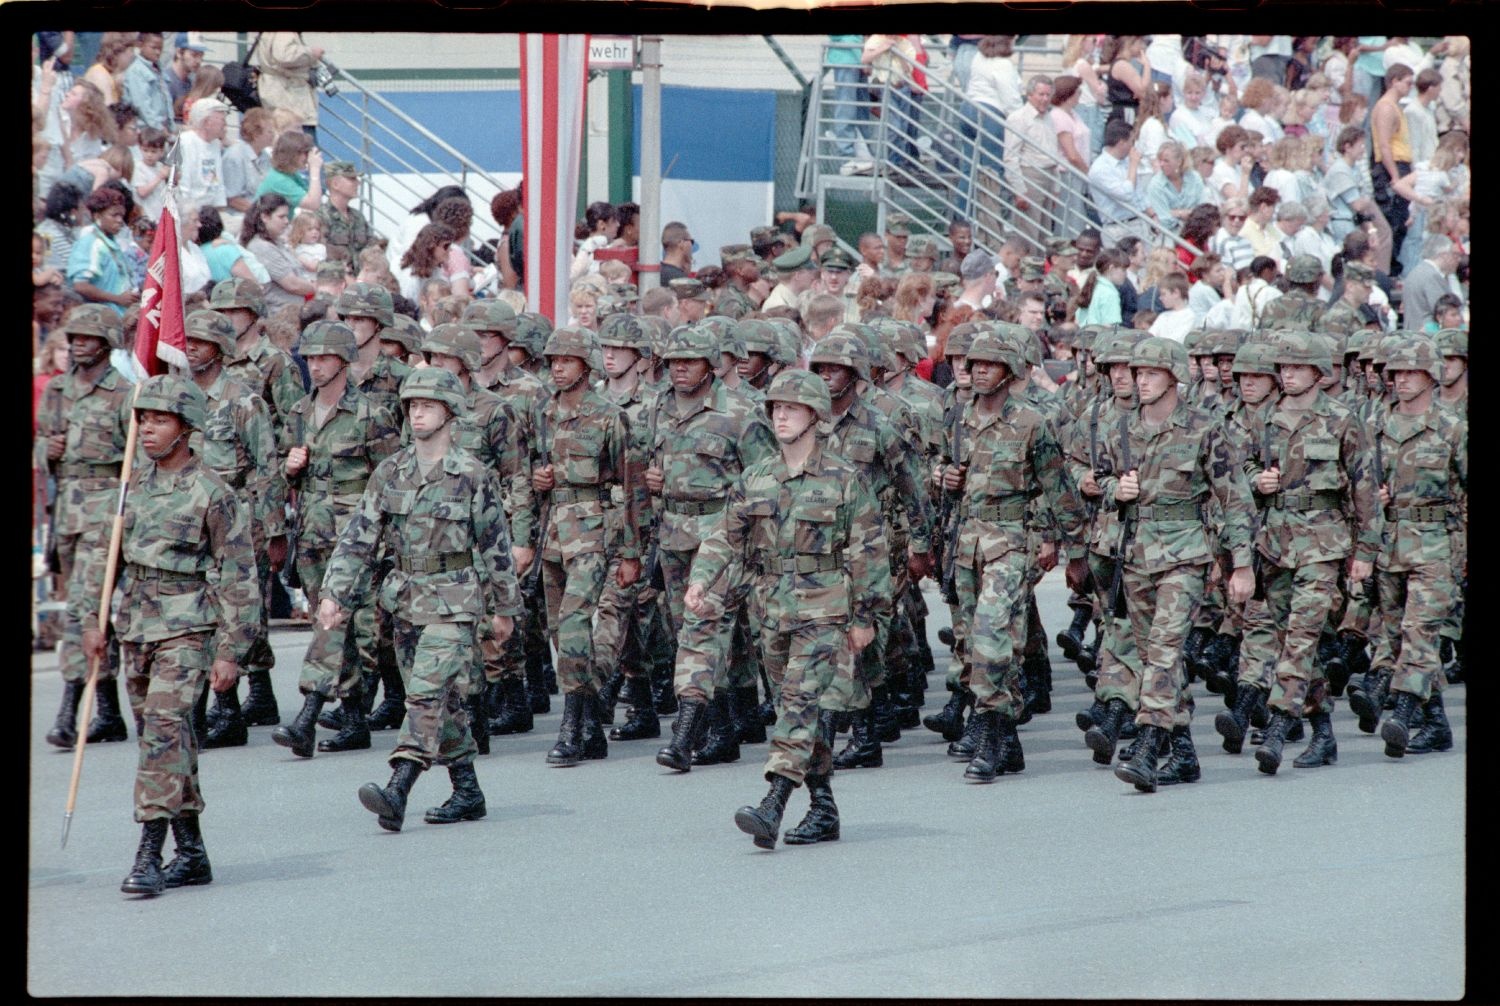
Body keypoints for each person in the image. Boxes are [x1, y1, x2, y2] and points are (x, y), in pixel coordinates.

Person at [683, 369, 884, 847]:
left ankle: (772, 804)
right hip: (771, 609)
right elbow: (724, 538)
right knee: (798, 710)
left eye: (792, 408)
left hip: (826, 611)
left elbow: (869, 551)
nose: (782, 415)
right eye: (776, 407)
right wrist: (700, 579)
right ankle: (824, 808)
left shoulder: (843, 479)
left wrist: (866, 617)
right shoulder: (756, 479)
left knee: (797, 704)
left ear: (815, 415)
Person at [315, 367, 521, 831]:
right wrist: (335, 594)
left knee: (425, 696)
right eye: (412, 405)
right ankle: (467, 790)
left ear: (450, 412)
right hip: (406, 601)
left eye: (428, 405)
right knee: (439, 703)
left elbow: (495, 546)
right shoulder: (391, 471)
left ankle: (398, 788)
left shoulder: (472, 474)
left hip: (455, 601)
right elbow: (359, 539)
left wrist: (506, 609)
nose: (418, 412)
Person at [75, 374, 257, 896]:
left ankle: (150, 853)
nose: (148, 429)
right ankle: (193, 853)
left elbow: (239, 573)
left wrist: (231, 650)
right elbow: (101, 562)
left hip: (189, 627)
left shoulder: (213, 492)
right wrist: (94, 620)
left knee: (161, 735)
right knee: (170, 742)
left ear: (186, 427)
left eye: (160, 420)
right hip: (137, 626)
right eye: (143, 419)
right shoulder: (131, 487)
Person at [1092, 336, 1257, 790]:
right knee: (1153, 657)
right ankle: (1183, 752)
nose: (1139, 381)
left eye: (1150, 373)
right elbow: (1098, 477)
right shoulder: (1119, 428)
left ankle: (1147, 746)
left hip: (1185, 553)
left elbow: (1236, 499)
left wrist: (1241, 565)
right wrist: (1111, 491)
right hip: (1135, 553)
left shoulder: (1204, 428)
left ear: (1173, 377)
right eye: (1137, 373)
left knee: (1164, 650)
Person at [941, 330, 1086, 781]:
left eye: (989, 363)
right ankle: (1007, 738)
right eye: (973, 363)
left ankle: (987, 730)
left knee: (990, 634)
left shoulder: (1029, 422)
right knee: (972, 643)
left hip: (1011, 540)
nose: (977, 369)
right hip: (966, 541)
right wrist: (941, 476)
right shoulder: (957, 418)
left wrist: (1075, 550)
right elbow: (940, 468)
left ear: (1010, 371)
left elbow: (1058, 489)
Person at [649, 324, 778, 771]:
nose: (679, 369)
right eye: (673, 361)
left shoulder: (741, 413)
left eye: (690, 361)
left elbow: (765, 479)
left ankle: (685, 737)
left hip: (721, 535)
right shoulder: (659, 407)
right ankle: (725, 728)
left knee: (701, 631)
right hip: (672, 531)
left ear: (712, 365)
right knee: (691, 628)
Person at [270, 321, 401, 759]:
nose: (316, 365)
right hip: (311, 533)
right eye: (310, 358)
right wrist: (289, 468)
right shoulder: (299, 413)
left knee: (344, 625)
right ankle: (351, 715)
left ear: (344, 361)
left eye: (324, 357)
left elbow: (391, 482)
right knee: (327, 624)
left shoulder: (371, 415)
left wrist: (385, 544)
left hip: (356, 541)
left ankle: (312, 713)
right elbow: (284, 474)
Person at [514, 326, 643, 765]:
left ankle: (571, 726)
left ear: (585, 366)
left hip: (594, 530)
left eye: (566, 361)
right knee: (558, 631)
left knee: (573, 625)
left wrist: (630, 551)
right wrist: (535, 495)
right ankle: (590, 723)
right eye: (552, 361)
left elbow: (631, 486)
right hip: (553, 532)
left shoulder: (609, 417)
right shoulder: (541, 413)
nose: (557, 367)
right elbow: (529, 470)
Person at [179, 311, 287, 748]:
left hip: (237, 517)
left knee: (235, 611)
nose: (191, 348)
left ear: (221, 349)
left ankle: (230, 708)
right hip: (189, 519)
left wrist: (273, 528)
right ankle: (212, 708)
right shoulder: (179, 401)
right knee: (197, 609)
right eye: (188, 340)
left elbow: (267, 466)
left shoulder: (243, 401)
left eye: (201, 342)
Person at [36, 305, 136, 748]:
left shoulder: (122, 393)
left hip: (104, 508)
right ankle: (110, 712)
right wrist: (47, 449)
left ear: (107, 343)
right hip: (68, 511)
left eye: (87, 337)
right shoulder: (57, 389)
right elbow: (41, 442)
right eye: (73, 336)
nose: (77, 343)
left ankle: (70, 708)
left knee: (83, 608)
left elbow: (135, 457)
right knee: (89, 612)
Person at [1001, 75, 1060, 248]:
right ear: (1030, 95)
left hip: (1048, 174)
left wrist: (1056, 187)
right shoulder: (1018, 118)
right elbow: (1011, 156)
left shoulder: (1049, 118)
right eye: (1041, 94)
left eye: (1048, 95)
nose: (1045, 99)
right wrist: (1019, 190)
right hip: (1030, 176)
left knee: (1044, 232)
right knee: (1029, 233)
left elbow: (1053, 152)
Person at [1370, 63, 1415, 273]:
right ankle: (1386, 269)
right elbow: (1384, 143)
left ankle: (1393, 267)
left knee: (1401, 219)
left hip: (1401, 163)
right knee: (1393, 219)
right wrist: (1395, 176)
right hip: (1391, 166)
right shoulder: (1386, 107)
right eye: (1407, 82)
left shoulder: (1396, 106)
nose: (1410, 87)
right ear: (1394, 81)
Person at [66, 185, 137, 314]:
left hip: (118, 316)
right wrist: (117, 299)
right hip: (100, 319)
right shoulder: (91, 242)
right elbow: (80, 286)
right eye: (114, 215)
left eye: (121, 216)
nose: (120, 221)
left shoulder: (110, 242)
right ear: (97, 216)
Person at [241, 193, 315, 313]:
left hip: (296, 309)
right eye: (281, 217)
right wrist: (318, 288)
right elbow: (292, 284)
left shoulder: (277, 242)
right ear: (265, 217)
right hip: (281, 314)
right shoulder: (261, 247)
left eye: (287, 216)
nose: (287, 221)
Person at [253, 32, 324, 142]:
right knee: (303, 144)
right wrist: (311, 53)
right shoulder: (284, 33)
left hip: (279, 90)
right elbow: (283, 55)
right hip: (289, 94)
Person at [1087, 118, 1147, 247]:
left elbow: (1138, 192)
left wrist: (1150, 214)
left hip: (1138, 223)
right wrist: (1133, 165)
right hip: (1117, 229)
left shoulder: (1126, 161)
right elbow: (1126, 194)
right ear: (1121, 143)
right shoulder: (1099, 169)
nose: (1133, 145)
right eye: (1132, 141)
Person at [316, 159, 377, 266]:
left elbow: (372, 249)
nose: (358, 183)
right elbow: (321, 257)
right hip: (334, 279)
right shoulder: (320, 217)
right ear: (335, 184)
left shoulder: (358, 217)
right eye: (352, 179)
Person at [176, 97, 229, 217]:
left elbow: (218, 184)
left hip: (211, 213)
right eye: (222, 120)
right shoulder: (186, 142)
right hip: (192, 212)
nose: (225, 124)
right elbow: (184, 186)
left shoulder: (215, 143)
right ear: (206, 122)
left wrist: (221, 214)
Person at [1144, 140, 1206, 236]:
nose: (1161, 164)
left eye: (1166, 161)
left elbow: (1203, 209)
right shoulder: (1156, 184)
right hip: (1169, 235)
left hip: (1196, 230)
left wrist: (1173, 212)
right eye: (1159, 160)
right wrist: (1182, 213)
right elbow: (1164, 221)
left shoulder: (1194, 177)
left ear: (1179, 162)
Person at [1399, 234, 1459, 330]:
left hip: (1414, 332)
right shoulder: (1432, 276)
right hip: (1427, 336)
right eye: (1452, 254)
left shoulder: (1417, 271)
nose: (1456, 259)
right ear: (1444, 255)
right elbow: (1445, 312)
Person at [254, 129, 323, 211]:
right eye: (305, 152)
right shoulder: (279, 180)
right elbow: (313, 204)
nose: (308, 157)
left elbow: (312, 196)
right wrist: (314, 169)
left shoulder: (291, 174)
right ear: (292, 154)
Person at [120, 32, 172, 132]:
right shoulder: (136, 71)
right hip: (144, 129)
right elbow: (141, 105)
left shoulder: (158, 69)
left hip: (162, 127)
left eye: (160, 49)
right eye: (154, 48)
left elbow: (167, 100)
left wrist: (171, 125)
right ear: (140, 45)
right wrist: (158, 128)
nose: (157, 52)